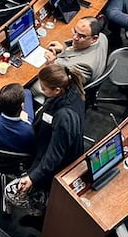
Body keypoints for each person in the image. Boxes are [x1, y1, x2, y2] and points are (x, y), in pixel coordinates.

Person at [13, 63, 85, 197]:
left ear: (57, 90)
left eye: (44, 88)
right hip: (46, 139)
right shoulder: (72, 90)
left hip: (55, 165)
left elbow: (54, 155)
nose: (41, 90)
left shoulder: (64, 116)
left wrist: (33, 177)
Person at [43, 16, 107, 80]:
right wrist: (65, 49)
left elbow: (64, 82)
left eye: (81, 36)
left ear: (94, 39)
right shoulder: (102, 37)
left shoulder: (84, 66)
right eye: (75, 31)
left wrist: (52, 64)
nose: (75, 37)